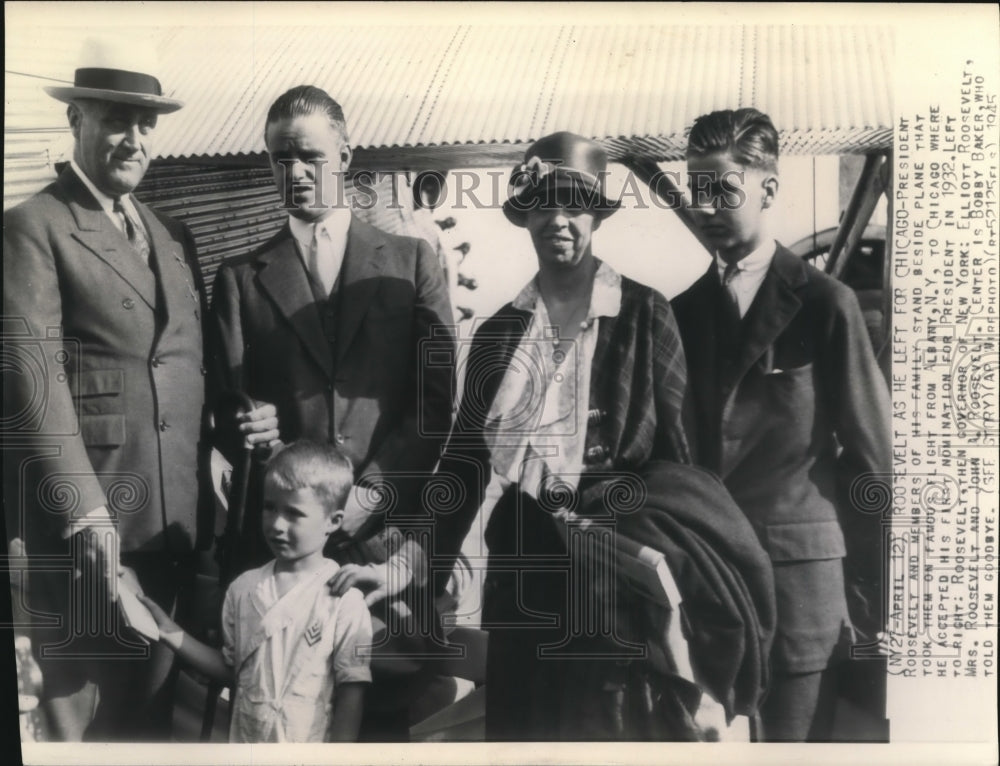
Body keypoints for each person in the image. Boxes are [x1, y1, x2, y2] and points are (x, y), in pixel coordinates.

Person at [432, 131, 749, 740]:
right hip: (525, 573)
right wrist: (420, 567)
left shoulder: (644, 314)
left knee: (609, 733)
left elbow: (680, 461)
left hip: (613, 577)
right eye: (545, 203)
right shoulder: (499, 333)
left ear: (596, 216)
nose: (559, 219)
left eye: (575, 205)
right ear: (524, 214)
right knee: (522, 733)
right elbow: (465, 460)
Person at [208, 85, 456, 738]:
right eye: (278, 159)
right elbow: (224, 406)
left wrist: (370, 494)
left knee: (388, 720)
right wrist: (242, 426)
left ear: (346, 155)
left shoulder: (411, 263)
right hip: (286, 554)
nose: (293, 174)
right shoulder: (239, 278)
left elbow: (436, 407)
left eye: (310, 156)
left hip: (386, 546)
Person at [3, 39, 208, 741]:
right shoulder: (33, 227)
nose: (134, 138)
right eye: (116, 119)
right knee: (84, 727)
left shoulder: (171, 235)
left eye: (146, 124)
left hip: (171, 521)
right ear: (76, 122)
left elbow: (184, 364)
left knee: (150, 724)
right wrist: (84, 513)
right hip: (88, 528)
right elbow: (32, 376)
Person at [671, 108, 892, 742]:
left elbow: (876, 464)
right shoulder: (682, 312)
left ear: (768, 188)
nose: (707, 205)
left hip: (802, 594)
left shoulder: (826, 304)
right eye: (696, 189)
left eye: (723, 188)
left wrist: (872, 594)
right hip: (712, 588)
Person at [139, 441, 372, 742]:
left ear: (333, 521)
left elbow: (352, 692)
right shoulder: (245, 588)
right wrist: (169, 632)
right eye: (269, 507)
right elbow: (232, 668)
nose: (276, 524)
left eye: (294, 513)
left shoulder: (342, 599)